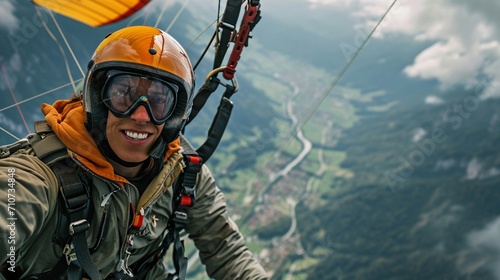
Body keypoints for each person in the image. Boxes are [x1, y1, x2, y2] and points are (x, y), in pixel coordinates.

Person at [0, 26, 268, 279]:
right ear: (97, 98)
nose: (141, 115)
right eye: (124, 94)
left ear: (175, 116)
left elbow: (226, 250)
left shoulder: (183, 174)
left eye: (158, 101)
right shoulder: (36, 178)